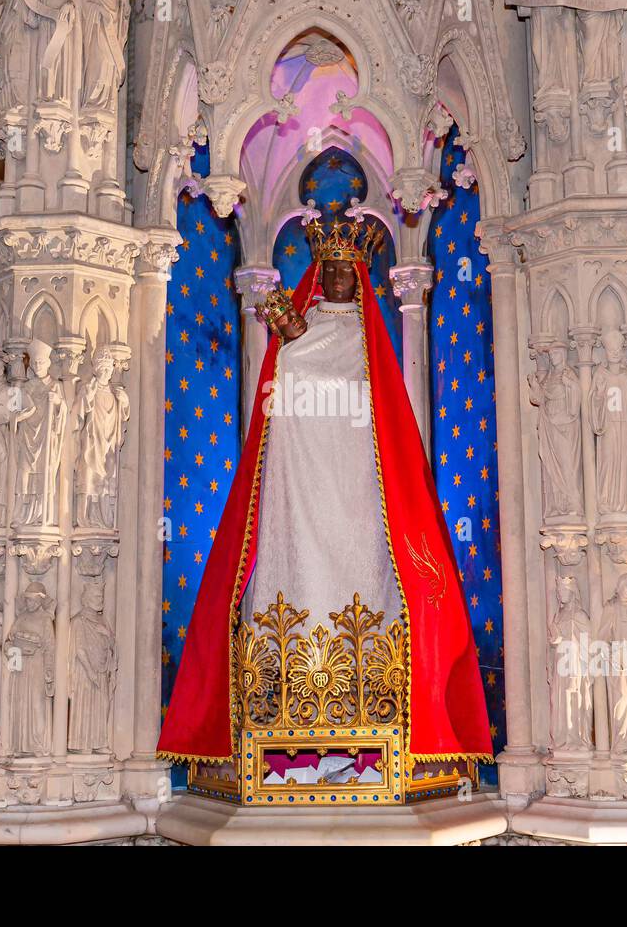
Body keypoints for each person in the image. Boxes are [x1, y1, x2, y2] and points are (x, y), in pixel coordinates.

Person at [158, 220, 492, 766]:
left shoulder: (370, 341)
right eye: (330, 269)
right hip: (300, 485)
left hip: (358, 492)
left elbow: (385, 424)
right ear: (318, 273)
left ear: (362, 278)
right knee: (295, 583)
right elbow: (277, 409)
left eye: (347, 270)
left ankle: (369, 721)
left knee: (363, 582)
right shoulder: (296, 332)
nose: (338, 277)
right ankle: (285, 718)